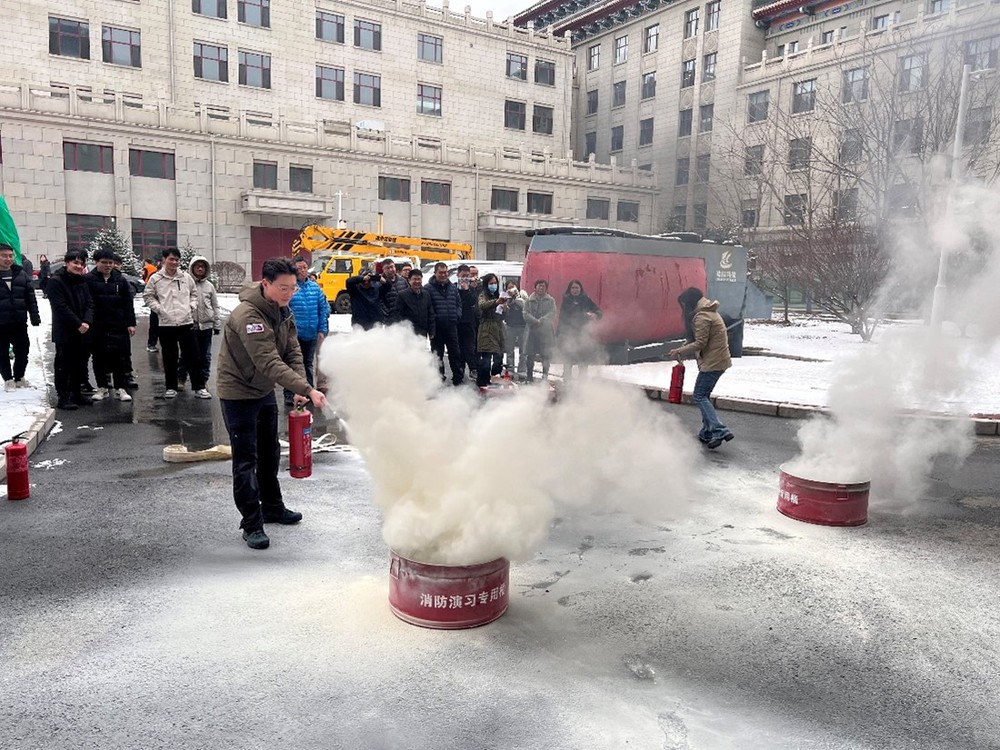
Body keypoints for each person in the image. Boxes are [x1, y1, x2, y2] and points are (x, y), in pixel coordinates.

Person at [216, 258, 328, 550]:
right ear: (265, 283)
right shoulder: (248, 316)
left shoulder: (282, 310)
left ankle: (273, 507)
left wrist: (300, 386)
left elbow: (292, 351)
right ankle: (251, 523)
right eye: (283, 288)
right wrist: (307, 388)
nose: (289, 293)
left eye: (293, 288)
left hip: (263, 390)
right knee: (246, 459)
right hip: (239, 392)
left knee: (270, 452)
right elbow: (267, 361)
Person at [668, 286, 734, 449]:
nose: (683, 308)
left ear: (689, 302)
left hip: (713, 363)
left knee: (699, 396)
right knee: (704, 395)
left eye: (684, 304)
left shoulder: (702, 316)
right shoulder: (706, 312)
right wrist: (683, 347)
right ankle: (706, 433)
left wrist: (680, 351)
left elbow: (700, 343)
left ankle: (720, 430)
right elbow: (698, 338)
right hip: (718, 360)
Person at [143, 248, 210, 399]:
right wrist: (159, 309)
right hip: (166, 324)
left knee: (193, 355)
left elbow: (194, 294)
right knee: (169, 357)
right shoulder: (156, 279)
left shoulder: (185, 277)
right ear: (164, 260)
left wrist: (191, 306)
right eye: (171, 259)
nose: (174, 262)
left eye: (177, 260)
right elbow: (148, 296)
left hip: (186, 322)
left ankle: (199, 387)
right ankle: (171, 387)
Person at [84, 248, 136, 402]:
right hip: (97, 325)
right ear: (96, 262)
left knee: (119, 356)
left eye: (110, 263)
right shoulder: (88, 280)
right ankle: (102, 387)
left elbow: (128, 303)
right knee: (98, 356)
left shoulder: (120, 280)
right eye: (104, 262)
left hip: (118, 324)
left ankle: (121, 387)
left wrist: (131, 323)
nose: (108, 265)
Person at [47, 249, 94, 410]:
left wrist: (86, 321)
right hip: (65, 330)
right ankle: (64, 396)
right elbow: (60, 307)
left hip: (83, 329)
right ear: (67, 263)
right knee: (64, 364)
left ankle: (76, 393)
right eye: (75, 262)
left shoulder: (82, 281)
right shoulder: (56, 281)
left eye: (82, 263)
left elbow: (90, 303)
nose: (79, 266)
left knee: (80, 363)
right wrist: (78, 324)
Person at [284, 255, 328, 405]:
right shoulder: (291, 288)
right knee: (292, 364)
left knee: (308, 364)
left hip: (311, 334)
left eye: (304, 267)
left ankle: (308, 393)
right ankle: (290, 394)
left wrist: (322, 329)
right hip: (294, 335)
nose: (303, 270)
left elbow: (323, 309)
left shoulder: (315, 288)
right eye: (299, 268)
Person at [0, 243, 40, 391]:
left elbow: (30, 297)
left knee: (23, 350)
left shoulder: (20, 274)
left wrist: (34, 316)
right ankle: (8, 379)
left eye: (11, 256)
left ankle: (19, 377)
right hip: (1, 323)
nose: (8, 259)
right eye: (4, 256)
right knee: (2, 352)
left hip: (19, 321)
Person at [178, 255, 220, 393]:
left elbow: (215, 306)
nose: (200, 269)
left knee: (205, 355)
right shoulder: (186, 284)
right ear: (192, 268)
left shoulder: (210, 286)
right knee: (186, 354)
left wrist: (217, 324)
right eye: (197, 266)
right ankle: (181, 378)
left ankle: (203, 380)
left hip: (206, 326)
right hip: (190, 325)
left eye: (202, 266)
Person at [426, 261, 464, 385]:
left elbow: (458, 304)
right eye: (440, 273)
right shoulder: (428, 288)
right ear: (435, 273)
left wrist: (457, 316)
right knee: (438, 355)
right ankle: (439, 378)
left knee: (455, 353)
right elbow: (427, 307)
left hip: (451, 326)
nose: (443, 275)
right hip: (437, 327)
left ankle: (458, 378)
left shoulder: (452, 287)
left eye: (445, 272)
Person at [558, 279, 602, 382]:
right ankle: (567, 382)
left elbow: (598, 312)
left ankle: (582, 382)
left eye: (577, 288)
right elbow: (563, 317)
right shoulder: (566, 300)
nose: (575, 290)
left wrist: (595, 315)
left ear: (580, 289)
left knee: (583, 360)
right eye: (573, 288)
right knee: (568, 360)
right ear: (569, 289)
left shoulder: (586, 299)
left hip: (583, 335)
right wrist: (559, 335)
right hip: (569, 335)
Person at [522, 279, 556, 383]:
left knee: (545, 355)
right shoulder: (529, 300)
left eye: (543, 286)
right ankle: (529, 377)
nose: (541, 288)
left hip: (545, 332)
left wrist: (542, 320)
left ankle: (545, 377)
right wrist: (535, 321)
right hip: (532, 331)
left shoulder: (550, 300)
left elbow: (553, 313)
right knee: (530, 355)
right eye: (539, 286)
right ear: (535, 288)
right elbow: (525, 313)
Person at [476, 273, 506, 388]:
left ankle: (495, 378)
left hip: (498, 329)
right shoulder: (483, 295)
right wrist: (496, 302)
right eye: (491, 283)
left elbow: (503, 314)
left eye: (495, 283)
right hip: (486, 330)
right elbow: (482, 305)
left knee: (498, 358)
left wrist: (505, 308)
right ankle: (482, 382)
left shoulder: (498, 295)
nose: (493, 285)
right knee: (486, 358)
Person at [390, 268, 435, 341]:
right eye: (414, 279)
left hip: (422, 332)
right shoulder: (402, 295)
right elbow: (397, 315)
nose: (417, 281)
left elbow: (430, 313)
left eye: (419, 279)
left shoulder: (426, 294)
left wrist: (432, 330)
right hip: (408, 333)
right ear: (409, 280)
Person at [455, 264, 480, 380]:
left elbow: (473, 301)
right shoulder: (453, 288)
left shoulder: (471, 289)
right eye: (463, 275)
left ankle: (473, 369)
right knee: (458, 348)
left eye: (467, 275)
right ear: (458, 275)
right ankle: (459, 371)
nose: (465, 278)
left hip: (469, 322)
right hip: (456, 322)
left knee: (470, 347)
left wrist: (466, 290)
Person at [502, 280, 528, 378]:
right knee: (509, 350)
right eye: (509, 287)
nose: (511, 289)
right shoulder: (506, 297)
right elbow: (504, 312)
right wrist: (505, 304)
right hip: (510, 325)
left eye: (512, 286)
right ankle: (510, 369)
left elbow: (526, 306)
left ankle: (522, 370)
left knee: (523, 350)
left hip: (522, 325)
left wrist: (516, 297)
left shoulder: (522, 295)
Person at [143, 258, 160, 352]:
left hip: (158, 305)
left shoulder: (147, 268)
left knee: (154, 326)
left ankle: (152, 344)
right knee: (155, 325)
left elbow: (144, 275)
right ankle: (152, 344)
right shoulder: (154, 270)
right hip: (157, 305)